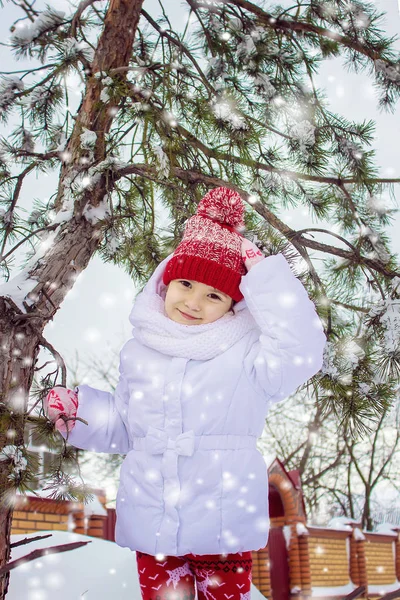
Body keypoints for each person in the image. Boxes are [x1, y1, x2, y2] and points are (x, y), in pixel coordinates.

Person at [44, 186, 326, 600]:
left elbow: (302, 350)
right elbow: (126, 424)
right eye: (186, 284)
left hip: (222, 518)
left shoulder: (248, 352)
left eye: (213, 295)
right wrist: (82, 412)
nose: (194, 302)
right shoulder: (140, 349)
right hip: (152, 520)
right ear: (166, 281)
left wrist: (265, 279)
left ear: (234, 304)